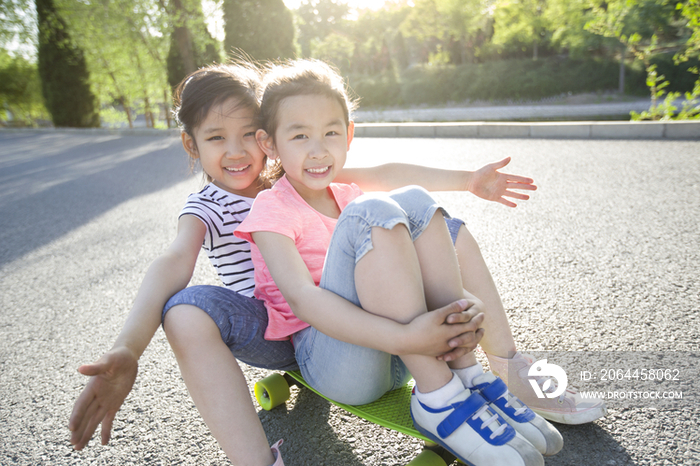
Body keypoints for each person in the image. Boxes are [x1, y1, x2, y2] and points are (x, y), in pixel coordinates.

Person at [67, 61, 601, 466]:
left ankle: (505, 369)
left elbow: (389, 172)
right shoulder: (213, 205)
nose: (238, 153)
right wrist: (127, 346)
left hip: (358, 313)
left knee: (440, 221)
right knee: (184, 307)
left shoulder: (299, 172)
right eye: (215, 139)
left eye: (246, 135)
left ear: (265, 138)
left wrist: (467, 181)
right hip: (274, 324)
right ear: (192, 144)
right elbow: (171, 262)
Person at [234, 59, 562, 466]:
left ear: (350, 134)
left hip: (402, 358)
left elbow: (393, 173)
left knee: (412, 199)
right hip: (336, 364)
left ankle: (464, 373)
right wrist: (405, 340)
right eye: (300, 135)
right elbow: (303, 299)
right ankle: (438, 397)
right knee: (371, 210)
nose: (319, 149)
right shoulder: (272, 207)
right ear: (269, 144)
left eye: (331, 133)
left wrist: (461, 299)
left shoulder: (344, 191)